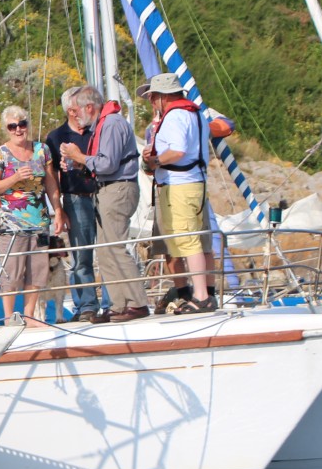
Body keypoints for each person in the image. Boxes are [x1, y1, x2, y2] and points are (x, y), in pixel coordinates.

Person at [60, 86, 150, 322]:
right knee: (106, 249)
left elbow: (107, 164)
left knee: (115, 247)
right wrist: (79, 163)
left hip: (117, 189)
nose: (75, 115)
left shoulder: (110, 124)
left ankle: (137, 303)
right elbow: (104, 162)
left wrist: (78, 156)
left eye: (76, 110)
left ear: (89, 107)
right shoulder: (105, 124)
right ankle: (118, 306)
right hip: (109, 189)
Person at [138, 72, 215, 312]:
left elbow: (178, 151)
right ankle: (209, 293)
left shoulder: (174, 117)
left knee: (187, 239)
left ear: (162, 97)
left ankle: (200, 297)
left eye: (152, 97)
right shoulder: (197, 114)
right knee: (202, 242)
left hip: (179, 185)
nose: (151, 102)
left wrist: (155, 161)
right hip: (197, 183)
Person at [0, 105, 65, 328]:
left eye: (22, 124)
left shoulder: (42, 150)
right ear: (7, 129)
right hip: (10, 223)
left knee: (37, 271)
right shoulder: (0, 154)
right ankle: (10, 317)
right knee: (12, 271)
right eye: (13, 126)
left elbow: (51, 183)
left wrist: (58, 211)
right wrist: (15, 178)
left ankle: (29, 316)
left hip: (39, 220)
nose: (19, 129)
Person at [43, 87, 102, 322]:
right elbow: (51, 177)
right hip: (76, 199)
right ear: (71, 109)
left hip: (104, 194)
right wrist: (59, 210)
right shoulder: (55, 137)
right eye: (80, 105)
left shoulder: (98, 130)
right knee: (81, 257)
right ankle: (86, 306)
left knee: (111, 251)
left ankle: (112, 303)